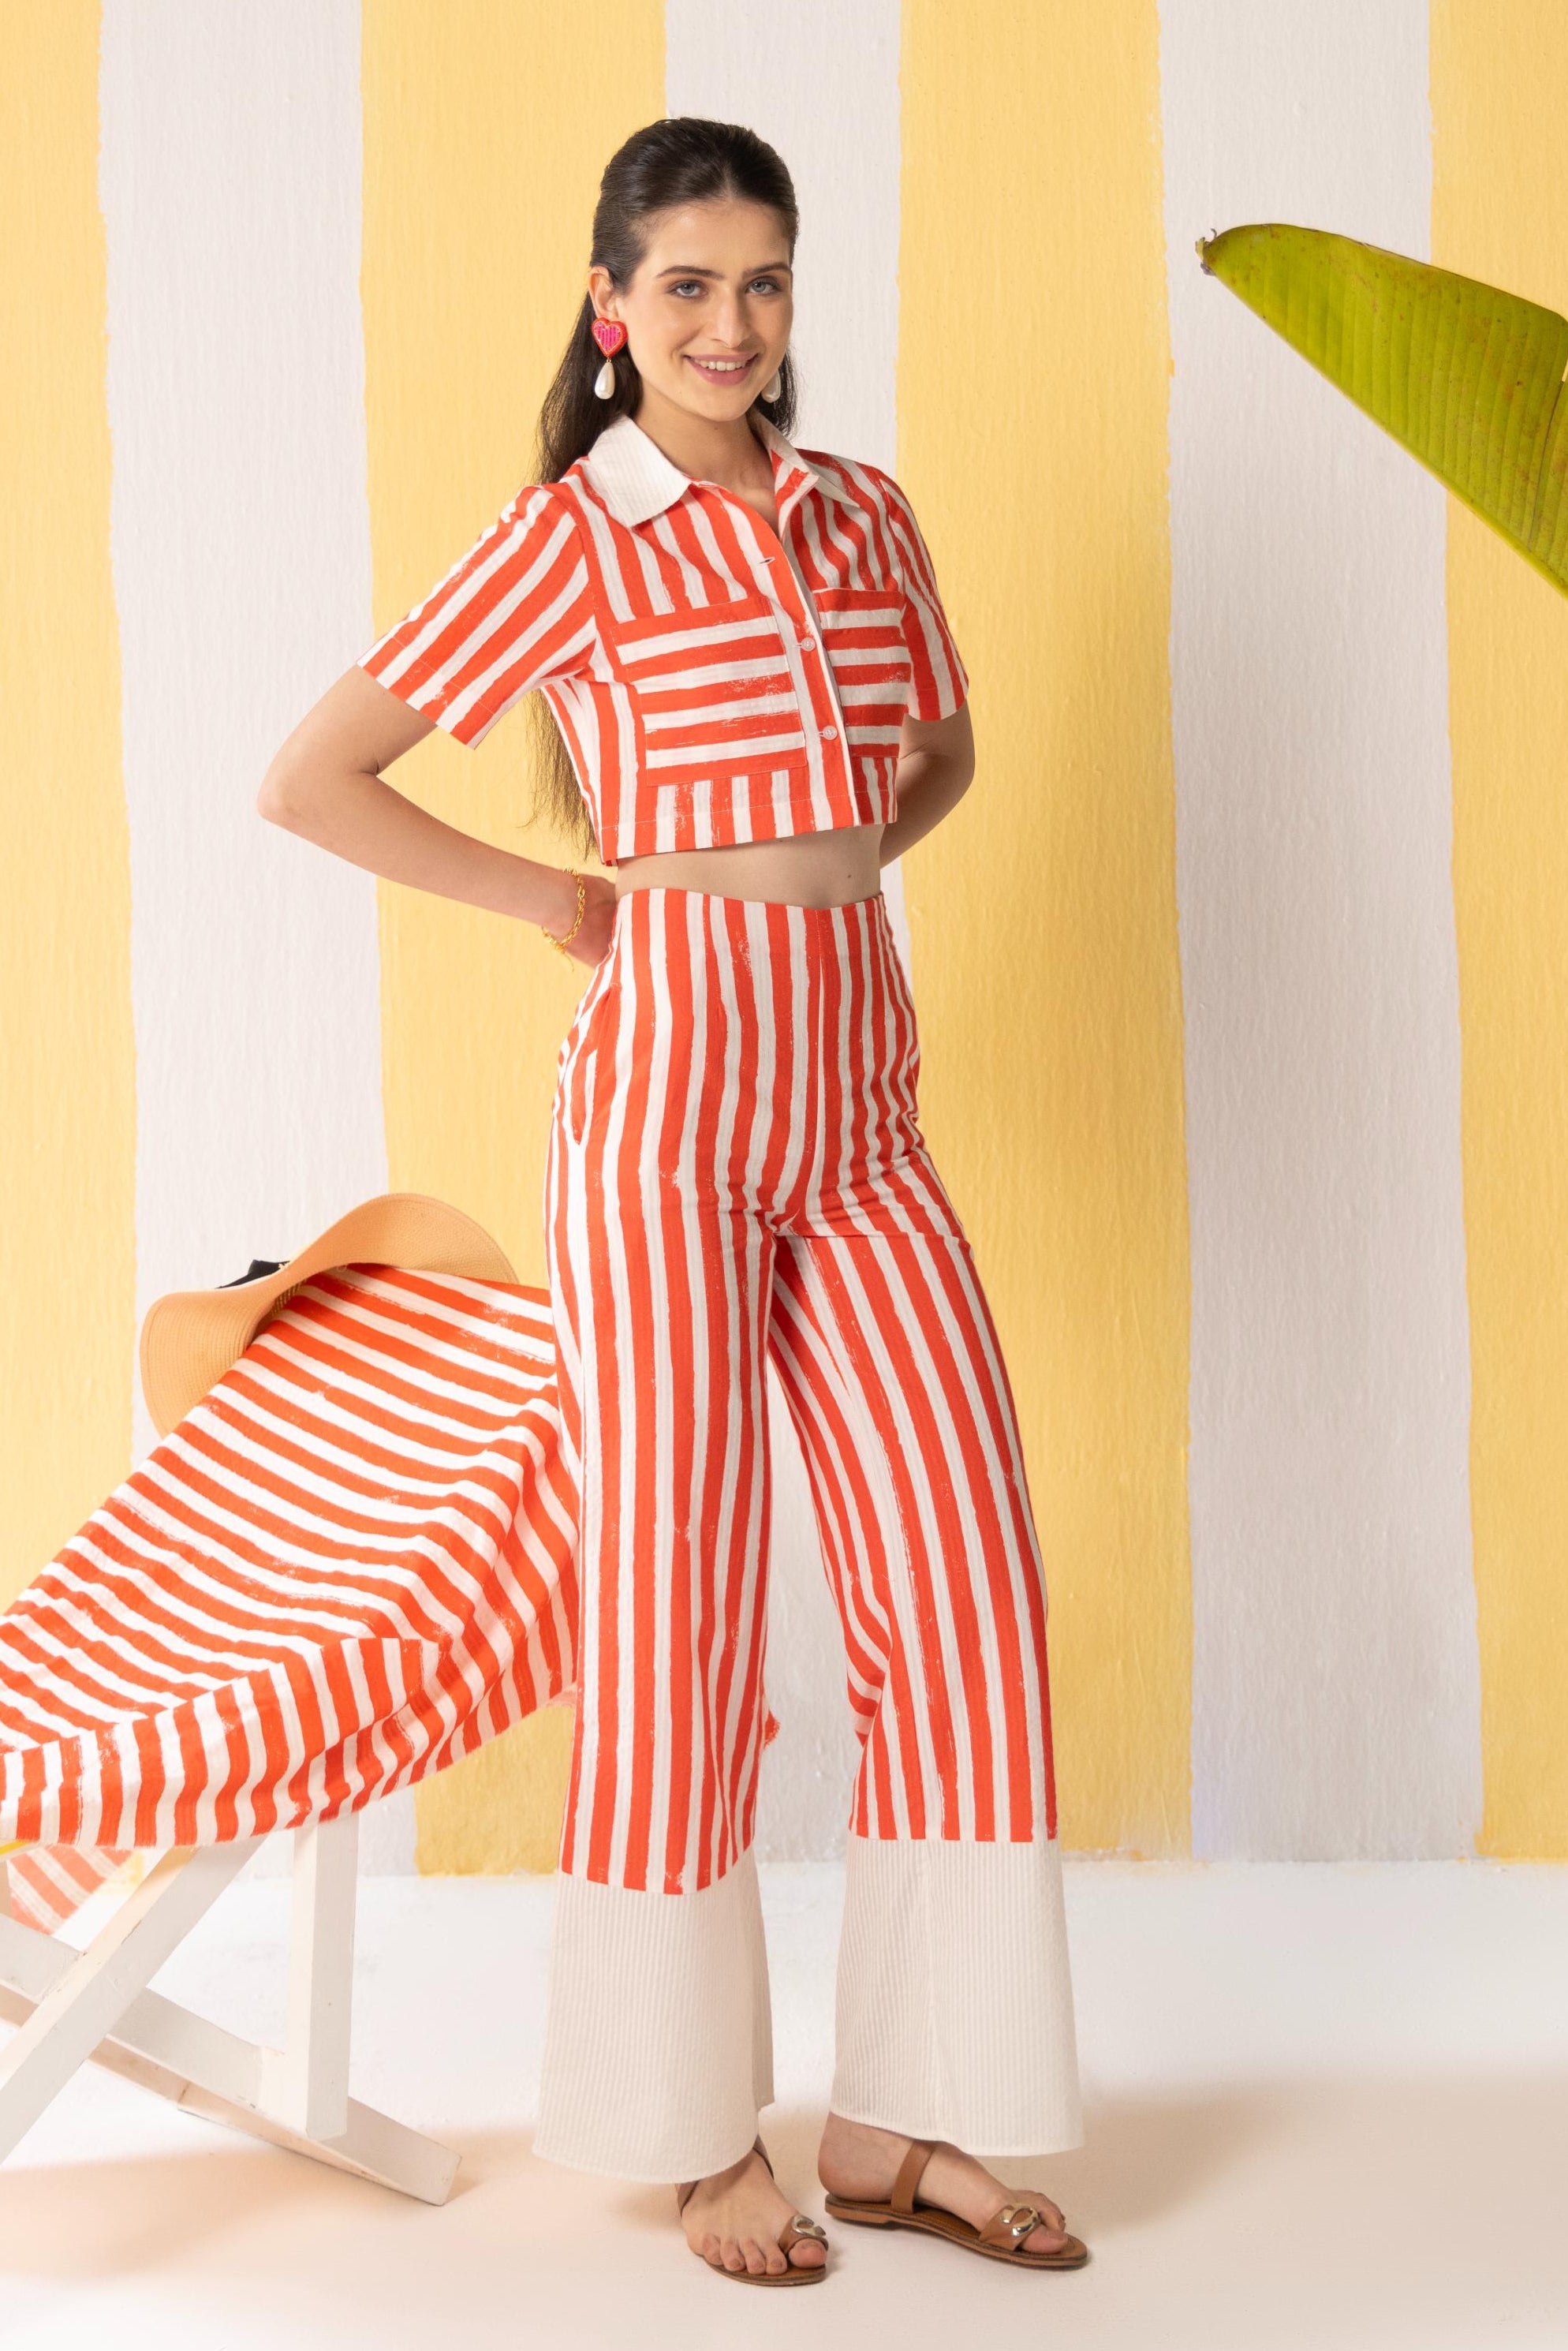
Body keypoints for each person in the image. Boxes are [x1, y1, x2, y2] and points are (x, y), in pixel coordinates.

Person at [259, 114, 1085, 2288]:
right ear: (613, 307)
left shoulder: (860, 514)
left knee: (966, 1594)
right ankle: (694, 2130)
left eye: (765, 280)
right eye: (690, 285)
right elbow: (312, 776)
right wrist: (567, 902)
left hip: (862, 1101)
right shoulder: (572, 532)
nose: (734, 323)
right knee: (680, 1609)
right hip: (662, 1119)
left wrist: (820, 878)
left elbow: (940, 753)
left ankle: (907, 2119)